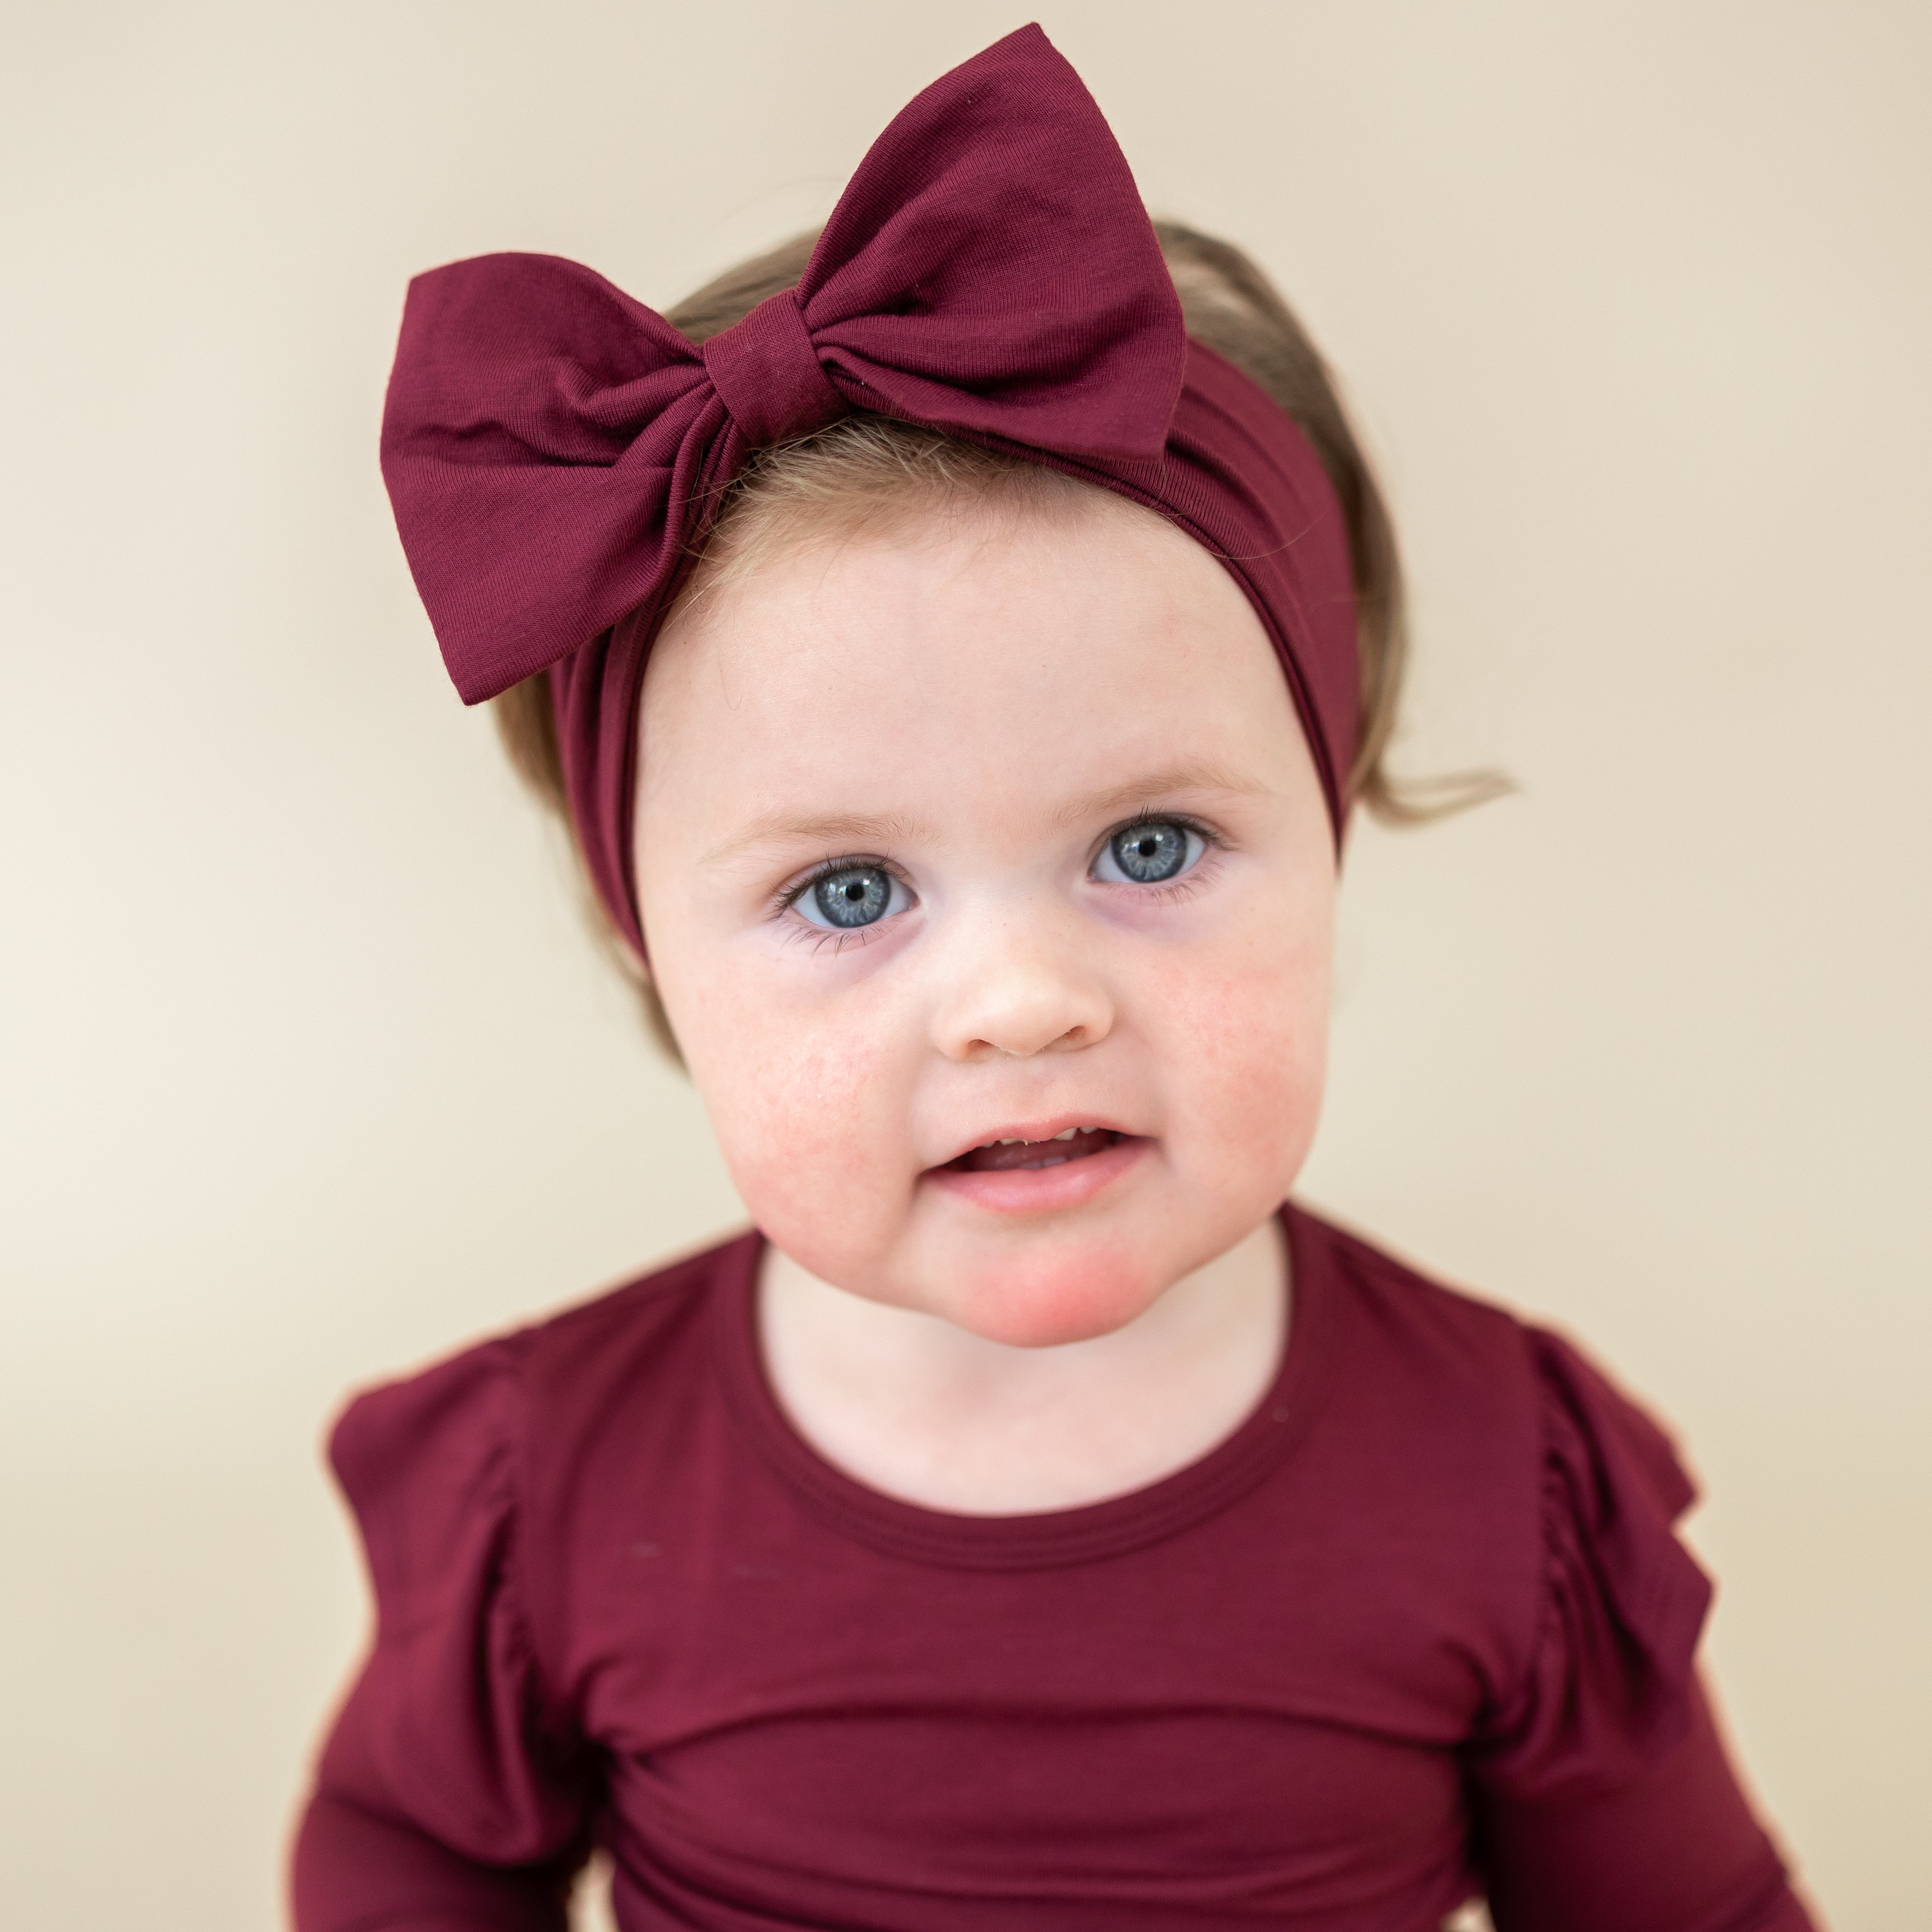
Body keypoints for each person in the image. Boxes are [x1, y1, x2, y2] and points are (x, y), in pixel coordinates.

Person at [293, 26, 1819, 1932]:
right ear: (645, 937)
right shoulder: (553, 1484)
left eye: (1150, 847)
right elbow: (410, 1851)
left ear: (1327, 823)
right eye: (847, 887)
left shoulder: (1499, 1477)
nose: (1023, 1001)